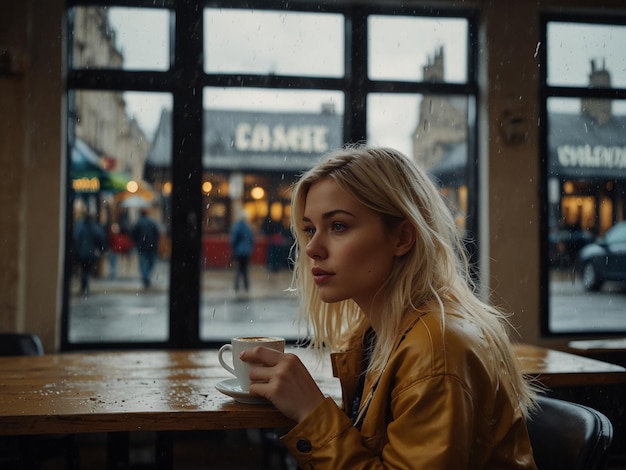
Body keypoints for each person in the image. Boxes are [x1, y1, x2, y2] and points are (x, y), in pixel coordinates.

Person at [240, 145, 538, 469]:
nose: (312, 248)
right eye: (310, 229)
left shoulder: (436, 348)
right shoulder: (372, 333)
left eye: (338, 226)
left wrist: (313, 413)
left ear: (402, 238)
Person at [73, 211, 107, 296]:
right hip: (90, 253)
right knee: (86, 270)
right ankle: (85, 287)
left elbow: (76, 239)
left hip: (81, 252)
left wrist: (76, 250)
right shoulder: (95, 227)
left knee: (84, 270)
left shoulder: (80, 227)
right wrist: (102, 249)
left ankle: (84, 287)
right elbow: (100, 239)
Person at [131, 208, 160, 288]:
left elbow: (133, 233)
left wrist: (136, 242)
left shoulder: (138, 223)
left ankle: (145, 276)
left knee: (143, 263)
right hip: (151, 246)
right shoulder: (152, 222)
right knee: (151, 262)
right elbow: (157, 234)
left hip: (142, 246)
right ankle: (146, 276)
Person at [231, 210, 255, 293]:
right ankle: (246, 285)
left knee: (240, 268)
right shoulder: (248, 228)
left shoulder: (238, 227)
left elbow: (234, 240)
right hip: (247, 251)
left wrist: (233, 249)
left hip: (240, 251)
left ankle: (237, 285)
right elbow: (252, 240)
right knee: (244, 268)